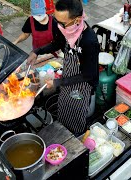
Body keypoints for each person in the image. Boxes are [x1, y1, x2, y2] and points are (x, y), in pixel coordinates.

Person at [27, 0, 99, 135]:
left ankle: (76, 138)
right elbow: (57, 43)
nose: (57, 25)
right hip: (67, 79)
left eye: (61, 23)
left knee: (76, 115)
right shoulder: (66, 29)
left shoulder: (89, 41)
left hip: (82, 87)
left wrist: (57, 82)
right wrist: (37, 51)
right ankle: (64, 133)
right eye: (55, 20)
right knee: (64, 108)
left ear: (77, 19)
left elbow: (89, 74)